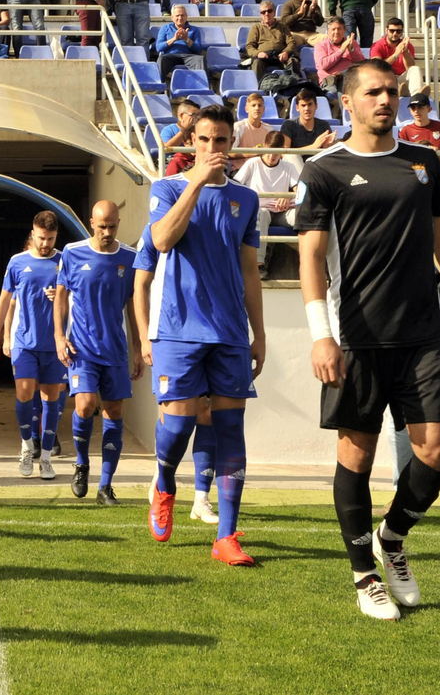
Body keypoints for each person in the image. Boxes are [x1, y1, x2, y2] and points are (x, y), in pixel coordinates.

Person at [297, 58, 440, 621]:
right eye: (374, 92)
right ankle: (364, 577)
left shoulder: (424, 163)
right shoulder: (324, 170)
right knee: (355, 456)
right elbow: (310, 255)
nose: (386, 100)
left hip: (423, 336)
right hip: (355, 339)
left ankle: (394, 536)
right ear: (349, 102)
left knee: (436, 451)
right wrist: (320, 336)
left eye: (393, 91)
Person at [137, 104, 267, 565]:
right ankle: (165, 484)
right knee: (178, 426)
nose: (214, 149)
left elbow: (250, 271)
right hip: (176, 330)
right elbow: (162, 241)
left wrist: (260, 333)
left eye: (222, 141)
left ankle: (226, 536)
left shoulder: (246, 199)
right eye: (206, 140)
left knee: (231, 429)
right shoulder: (167, 187)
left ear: (233, 143)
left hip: (230, 332)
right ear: (192, 142)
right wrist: (194, 182)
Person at [54, 201, 140, 505]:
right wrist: (58, 336)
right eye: (102, 226)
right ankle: (81, 463)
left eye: (112, 226)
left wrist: (139, 347)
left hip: (115, 349)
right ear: (92, 223)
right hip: (81, 348)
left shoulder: (129, 258)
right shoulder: (73, 252)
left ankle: (105, 486)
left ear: (118, 223)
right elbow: (61, 296)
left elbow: (134, 303)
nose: (107, 232)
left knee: (114, 412)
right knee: (85, 405)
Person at [0, 211, 65, 480]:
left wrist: (61, 297)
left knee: (50, 399)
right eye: (42, 238)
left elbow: (77, 298)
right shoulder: (17, 262)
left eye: (51, 238)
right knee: (23, 393)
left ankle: (45, 457)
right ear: (33, 234)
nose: (46, 244)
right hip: (24, 341)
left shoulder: (64, 261)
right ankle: (26, 446)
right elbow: (3, 301)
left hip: (53, 343)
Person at [234, 129, 300, 273]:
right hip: (261, 211)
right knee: (261, 213)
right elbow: (236, 186)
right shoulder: (253, 163)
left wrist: (288, 195)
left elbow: (299, 191)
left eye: (276, 152)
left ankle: (311, 261)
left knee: (303, 217)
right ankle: (259, 263)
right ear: (263, 146)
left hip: (283, 212)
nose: (271, 156)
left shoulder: (289, 167)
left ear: (282, 150)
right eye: (269, 151)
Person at [369, 17, 426, 97]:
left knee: (415, 69)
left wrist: (405, 52)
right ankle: (401, 91)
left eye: (398, 31)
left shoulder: (407, 45)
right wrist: (395, 55)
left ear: (402, 32)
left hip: (401, 78)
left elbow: (410, 68)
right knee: (387, 76)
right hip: (386, 78)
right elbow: (376, 67)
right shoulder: (377, 45)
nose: (395, 34)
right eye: (392, 31)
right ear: (386, 30)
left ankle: (416, 97)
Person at [244, 1, 299, 81]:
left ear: (274, 12)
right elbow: (249, 46)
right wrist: (258, 53)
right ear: (261, 14)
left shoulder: (283, 27)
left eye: (269, 11)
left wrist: (286, 52)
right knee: (256, 63)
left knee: (293, 61)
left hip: (280, 56)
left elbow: (291, 43)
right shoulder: (256, 28)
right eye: (263, 12)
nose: (266, 14)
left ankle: (293, 86)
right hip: (264, 57)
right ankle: (259, 89)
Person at [153, 5, 207, 81]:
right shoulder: (165, 28)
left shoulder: (194, 29)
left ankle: (203, 88)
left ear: (186, 16)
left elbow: (198, 49)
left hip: (189, 56)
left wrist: (186, 39)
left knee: (200, 59)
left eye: (182, 15)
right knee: (162, 59)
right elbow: (159, 48)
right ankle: (158, 88)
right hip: (170, 56)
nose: (180, 18)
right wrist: (174, 39)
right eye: (177, 16)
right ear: (172, 17)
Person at [313, 16, 364, 92]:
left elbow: (361, 63)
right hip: (330, 82)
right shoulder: (320, 46)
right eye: (333, 29)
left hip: (349, 80)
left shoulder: (351, 42)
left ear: (344, 30)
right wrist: (341, 51)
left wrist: (351, 50)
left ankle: (339, 77)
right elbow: (323, 65)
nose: (336, 32)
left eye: (339, 29)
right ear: (328, 31)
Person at [283, 86, 337, 151]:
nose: (307, 109)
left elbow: (327, 152)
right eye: (303, 105)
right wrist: (313, 146)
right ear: (297, 108)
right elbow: (284, 154)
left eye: (310, 104)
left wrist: (327, 146)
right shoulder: (289, 125)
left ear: (316, 106)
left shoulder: (324, 125)